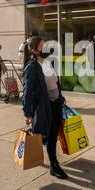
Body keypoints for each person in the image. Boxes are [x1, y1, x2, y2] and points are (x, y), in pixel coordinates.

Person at [23, 36, 68, 179]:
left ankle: (45, 142)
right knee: (52, 133)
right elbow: (27, 92)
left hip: (56, 104)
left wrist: (61, 97)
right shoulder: (32, 67)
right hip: (45, 106)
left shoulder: (47, 63)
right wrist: (28, 113)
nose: (46, 48)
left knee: (52, 132)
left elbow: (54, 82)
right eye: (43, 45)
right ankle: (54, 165)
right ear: (35, 49)